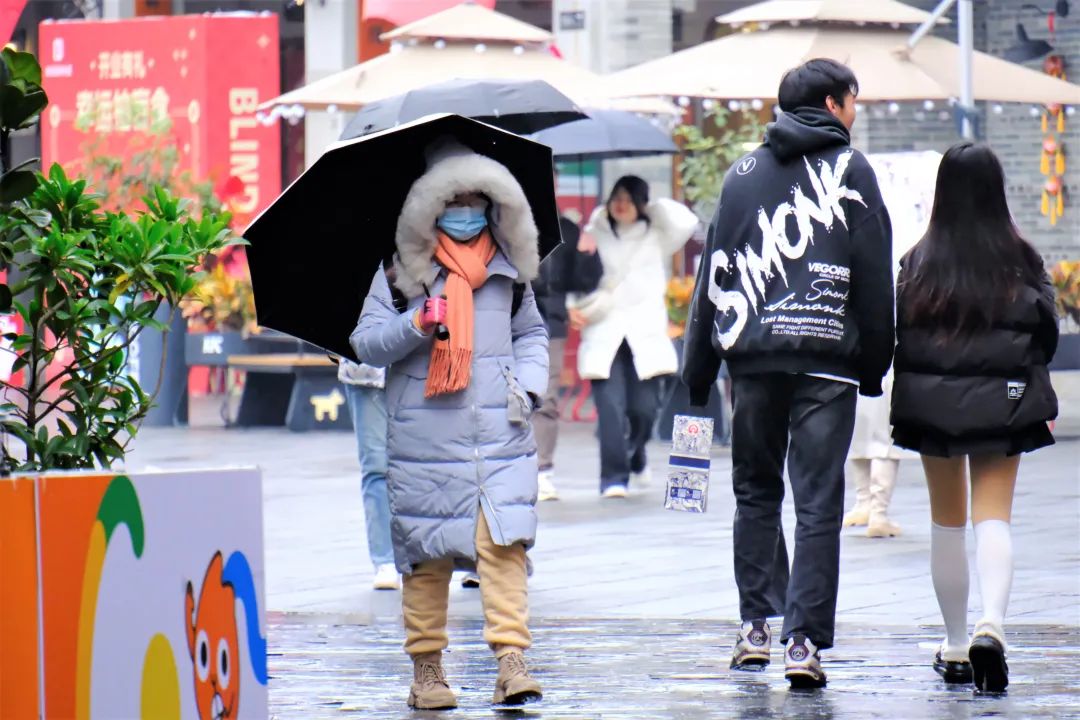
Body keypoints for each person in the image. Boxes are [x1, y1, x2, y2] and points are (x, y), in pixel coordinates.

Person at [682, 58, 894, 688]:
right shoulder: (849, 169)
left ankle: (754, 629)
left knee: (755, 493)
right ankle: (802, 643)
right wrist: (875, 363)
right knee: (818, 505)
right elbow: (873, 274)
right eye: (853, 101)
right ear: (832, 104)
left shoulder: (742, 174)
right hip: (826, 364)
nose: (855, 114)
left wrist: (699, 366)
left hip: (752, 363)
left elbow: (712, 276)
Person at [351, 141, 548, 710]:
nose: (465, 210)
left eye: (475, 198)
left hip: (500, 436)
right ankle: (428, 671)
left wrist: (528, 387)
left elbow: (531, 336)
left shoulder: (511, 273)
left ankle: (512, 661)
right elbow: (366, 344)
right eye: (452, 199)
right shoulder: (397, 274)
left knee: (505, 546)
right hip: (424, 438)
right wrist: (416, 321)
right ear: (427, 207)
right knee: (427, 556)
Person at [891, 143, 1059, 695]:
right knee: (994, 518)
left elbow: (898, 333)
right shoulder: (1023, 260)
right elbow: (1048, 334)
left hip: (933, 408)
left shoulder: (916, 262)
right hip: (1003, 404)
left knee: (947, 522)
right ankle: (994, 624)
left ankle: (958, 643)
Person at [567, 175, 698, 498]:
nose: (620, 204)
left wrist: (652, 206)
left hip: (645, 333)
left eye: (629, 198)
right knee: (610, 410)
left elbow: (686, 221)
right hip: (605, 331)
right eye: (616, 197)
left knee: (644, 408)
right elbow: (573, 278)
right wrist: (581, 257)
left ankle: (636, 453)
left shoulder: (656, 233)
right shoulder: (593, 232)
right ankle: (613, 478)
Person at [529, 164, 581, 502]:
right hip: (514, 319)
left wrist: (590, 254)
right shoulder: (513, 223)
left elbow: (581, 280)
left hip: (554, 323)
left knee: (547, 397)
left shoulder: (569, 230)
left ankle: (543, 469)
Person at [338, 359, 398, 589]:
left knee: (435, 462)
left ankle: (456, 554)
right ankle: (385, 560)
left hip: (421, 367)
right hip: (366, 370)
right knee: (376, 466)